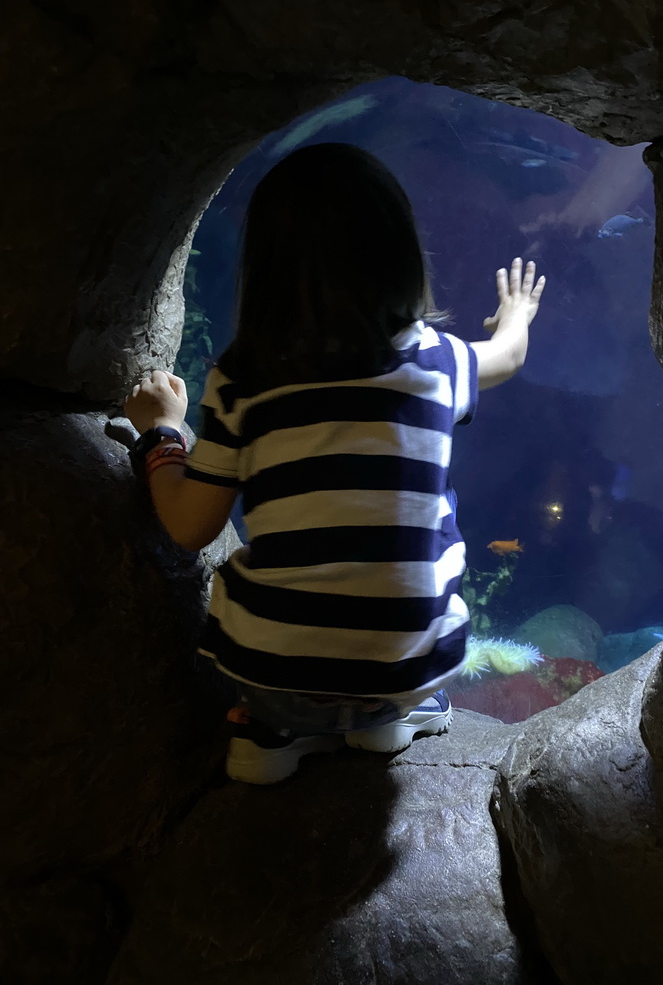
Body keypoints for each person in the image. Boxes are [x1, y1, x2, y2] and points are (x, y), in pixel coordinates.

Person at [125, 143, 544, 785]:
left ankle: (273, 730)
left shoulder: (246, 380)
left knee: (267, 631)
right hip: (404, 669)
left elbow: (189, 526)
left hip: (273, 674)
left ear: (263, 270)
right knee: (420, 604)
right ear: (402, 255)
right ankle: (387, 716)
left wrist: (163, 431)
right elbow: (507, 357)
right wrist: (515, 314)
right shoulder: (437, 362)